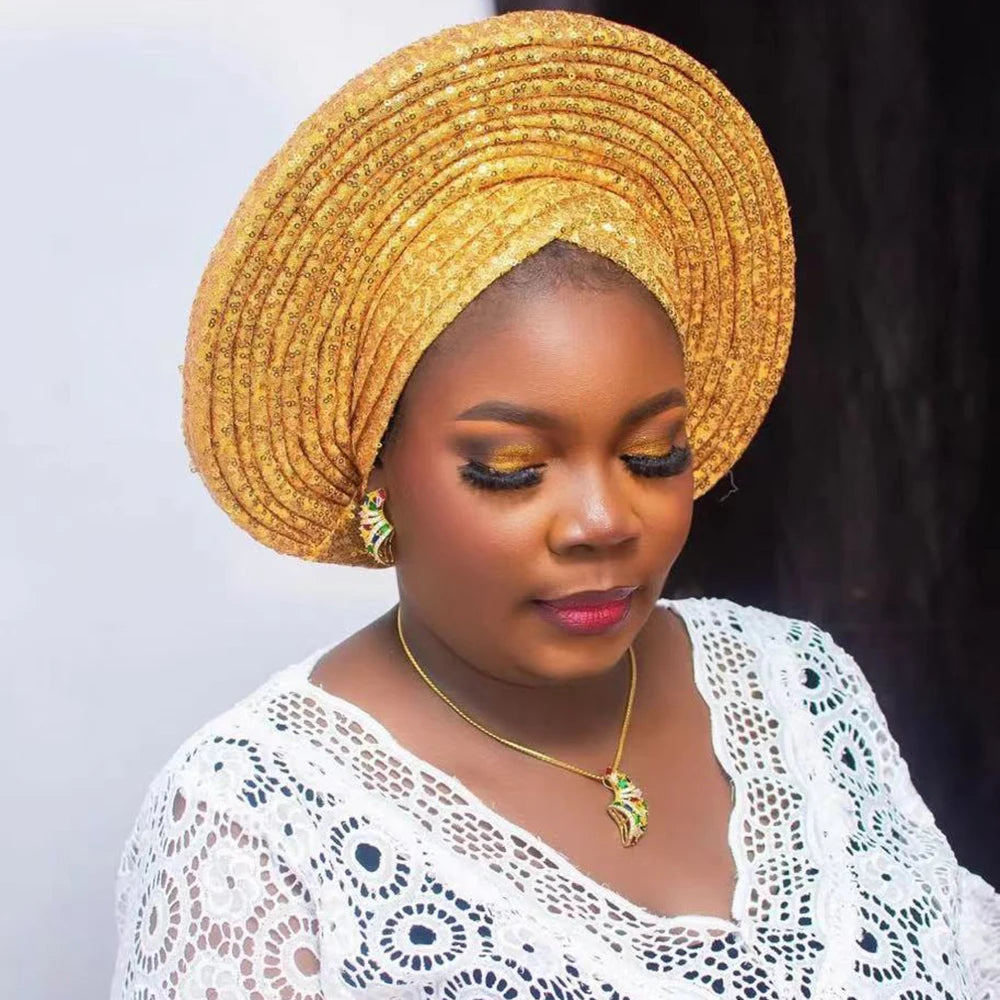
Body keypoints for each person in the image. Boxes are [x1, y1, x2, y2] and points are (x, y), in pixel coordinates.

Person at [110, 10, 998, 999]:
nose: (603, 521)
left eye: (653, 455)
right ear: (378, 476)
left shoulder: (794, 687)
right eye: (511, 467)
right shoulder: (254, 824)